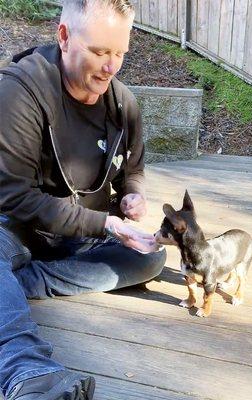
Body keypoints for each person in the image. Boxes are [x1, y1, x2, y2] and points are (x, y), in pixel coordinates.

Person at [0, 0, 166, 398]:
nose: (111, 67)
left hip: (84, 235)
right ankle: (28, 374)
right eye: (99, 52)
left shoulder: (124, 103)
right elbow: (14, 197)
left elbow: (134, 170)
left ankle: (21, 283)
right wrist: (106, 223)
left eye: (120, 53)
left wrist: (132, 195)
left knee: (151, 257)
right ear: (64, 37)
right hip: (20, 229)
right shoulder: (18, 92)